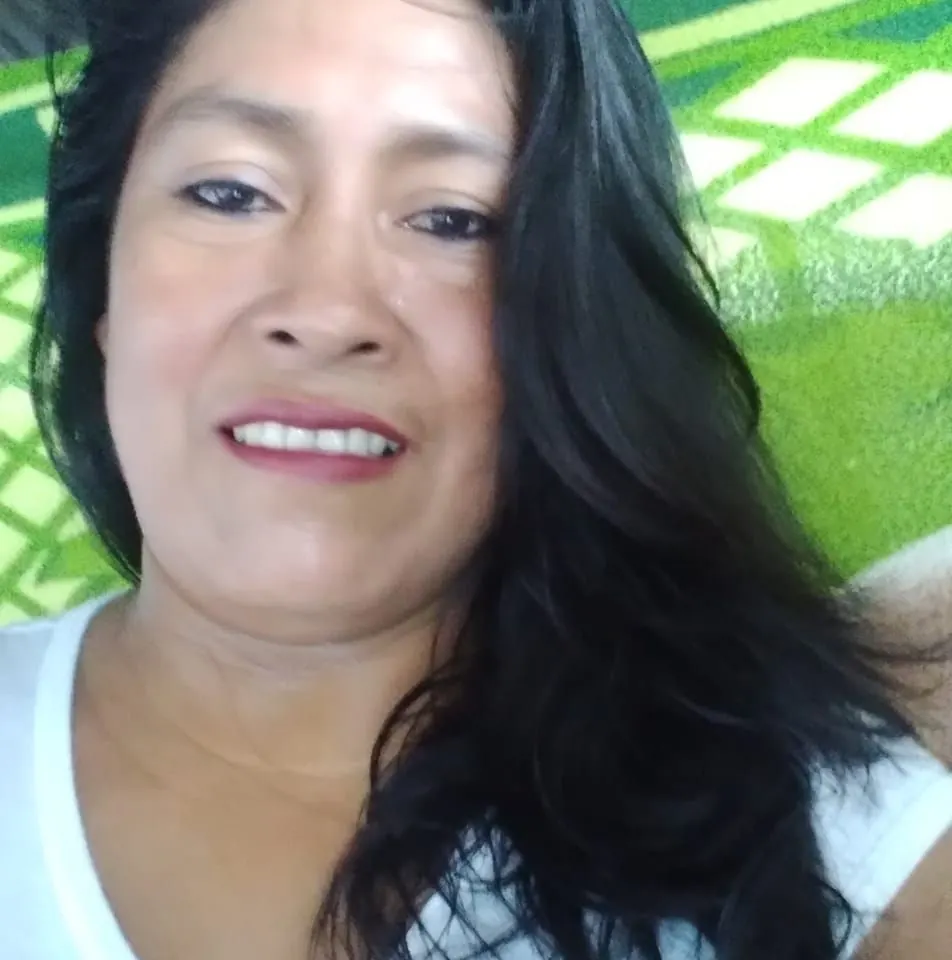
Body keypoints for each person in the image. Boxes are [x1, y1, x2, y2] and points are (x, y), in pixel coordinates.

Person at [1, 0, 949, 957]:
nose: (326, 312)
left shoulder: (842, 848)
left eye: (454, 219)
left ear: (575, 324)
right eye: (230, 193)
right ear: (103, 290)